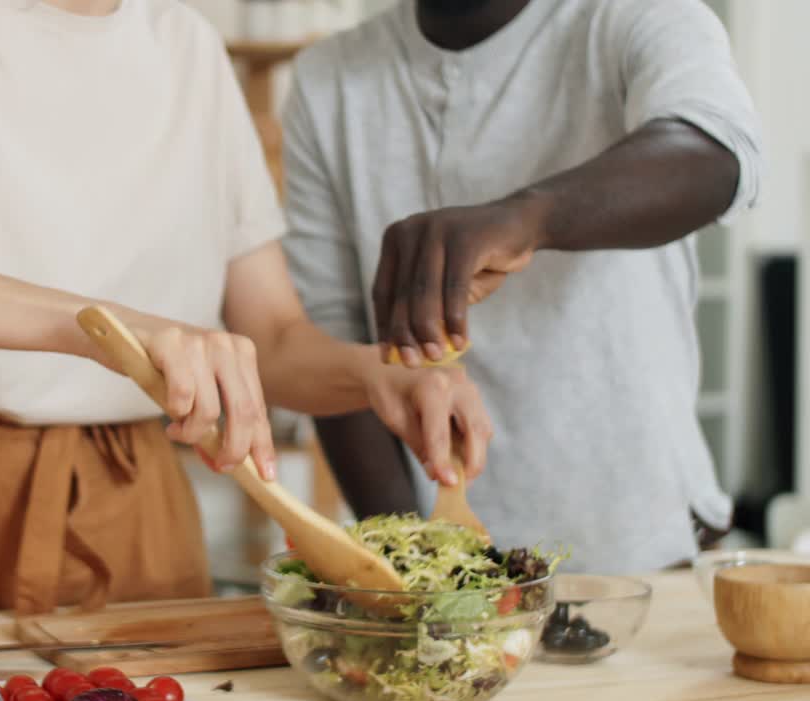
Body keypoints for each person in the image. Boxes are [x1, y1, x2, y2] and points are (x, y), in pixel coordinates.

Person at [0, 0, 492, 619]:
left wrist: (374, 376)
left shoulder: (189, 48)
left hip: (133, 508)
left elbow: (273, 338)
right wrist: (101, 330)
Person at [282, 0, 761, 573]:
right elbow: (338, 356)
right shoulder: (325, 79)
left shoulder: (632, 16)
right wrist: (411, 571)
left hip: (645, 550)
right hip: (448, 566)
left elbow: (717, 152)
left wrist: (524, 218)